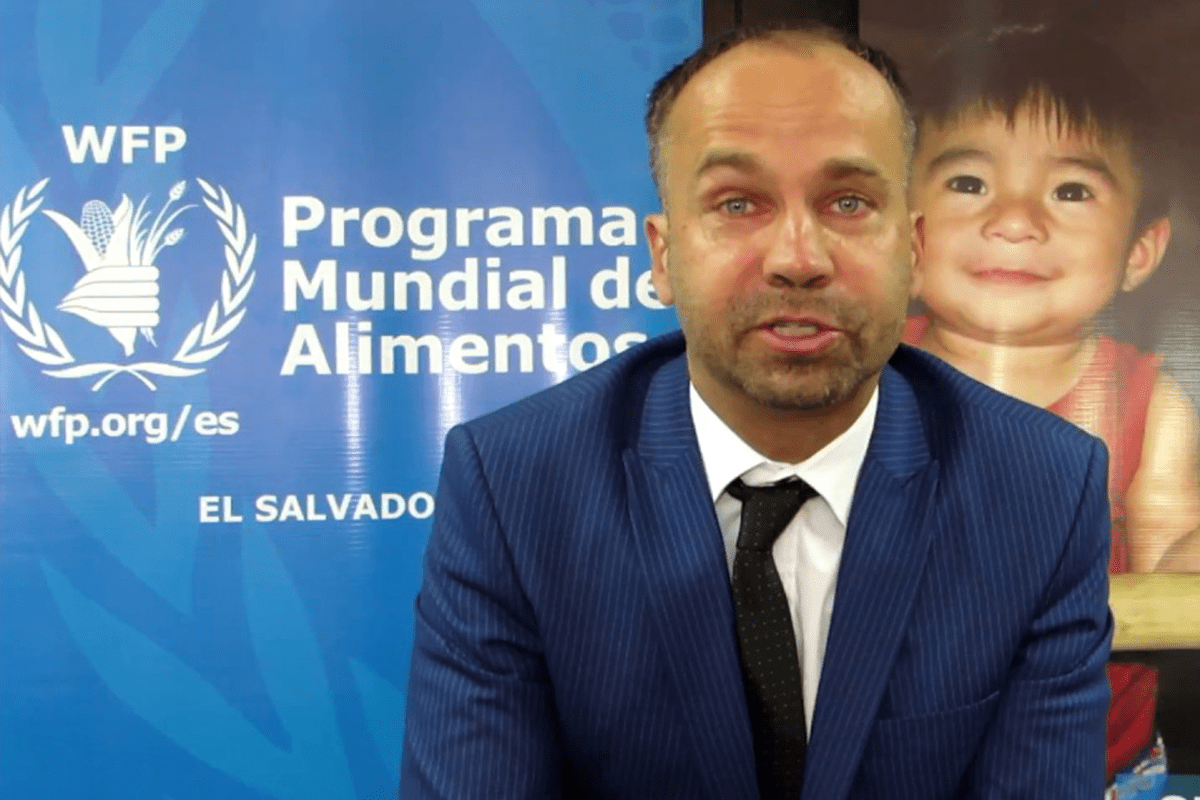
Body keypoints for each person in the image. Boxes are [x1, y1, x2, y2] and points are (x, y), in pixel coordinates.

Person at [402, 22, 1112, 799]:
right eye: (738, 203)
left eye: (849, 202)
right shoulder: (514, 486)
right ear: (663, 255)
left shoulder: (1043, 489)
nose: (798, 258)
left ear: (913, 249)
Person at [901, 27, 1200, 797]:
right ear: (901, 228)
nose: (1014, 219)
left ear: (1140, 252)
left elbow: (1174, 573)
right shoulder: (870, 381)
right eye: (969, 182)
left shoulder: (1150, 404)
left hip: (1098, 770)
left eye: (1070, 192)